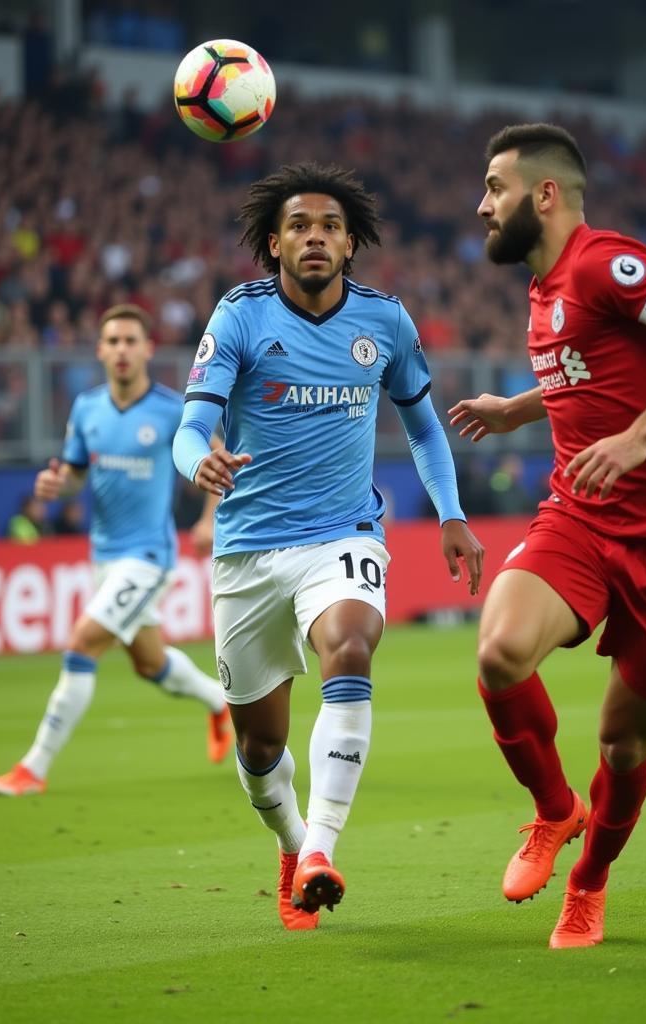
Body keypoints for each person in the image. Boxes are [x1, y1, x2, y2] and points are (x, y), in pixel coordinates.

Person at [448, 124, 646, 949]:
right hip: (579, 514)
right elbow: (593, 368)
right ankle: (553, 811)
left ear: (545, 194)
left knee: (623, 745)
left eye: (495, 187)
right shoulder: (543, 287)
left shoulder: (603, 261)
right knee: (499, 653)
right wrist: (519, 407)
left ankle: (589, 883)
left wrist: (643, 435)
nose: (481, 206)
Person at [173, 162, 484, 931]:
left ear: (351, 244)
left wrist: (449, 512)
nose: (316, 237)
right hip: (248, 552)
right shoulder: (240, 317)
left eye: (331, 227)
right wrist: (199, 462)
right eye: (300, 227)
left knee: (351, 645)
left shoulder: (385, 322)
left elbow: (421, 425)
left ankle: (320, 849)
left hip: (343, 534)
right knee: (259, 748)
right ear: (273, 243)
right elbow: (188, 428)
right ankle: (287, 843)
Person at [0, 304, 231, 797]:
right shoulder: (86, 408)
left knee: (82, 643)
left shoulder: (169, 410)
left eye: (130, 341)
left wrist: (208, 520)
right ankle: (219, 704)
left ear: (147, 350)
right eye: (113, 341)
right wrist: (59, 485)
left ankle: (33, 767)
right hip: (104, 557)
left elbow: (216, 459)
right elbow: (76, 474)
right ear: (100, 351)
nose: (121, 350)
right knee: (149, 663)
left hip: (149, 557)